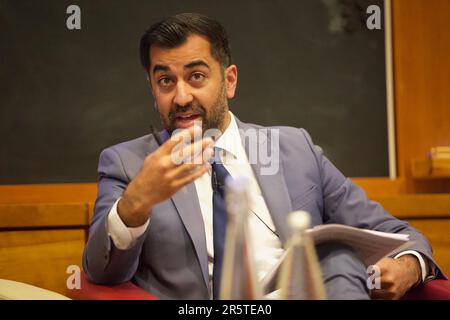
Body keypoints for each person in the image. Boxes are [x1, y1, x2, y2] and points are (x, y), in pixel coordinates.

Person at [83, 13, 442, 300]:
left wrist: (409, 266)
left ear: (229, 81)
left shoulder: (294, 149)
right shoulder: (128, 163)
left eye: (196, 76)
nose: (180, 97)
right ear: (152, 87)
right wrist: (134, 206)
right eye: (166, 82)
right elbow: (101, 272)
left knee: (337, 260)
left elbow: (398, 234)